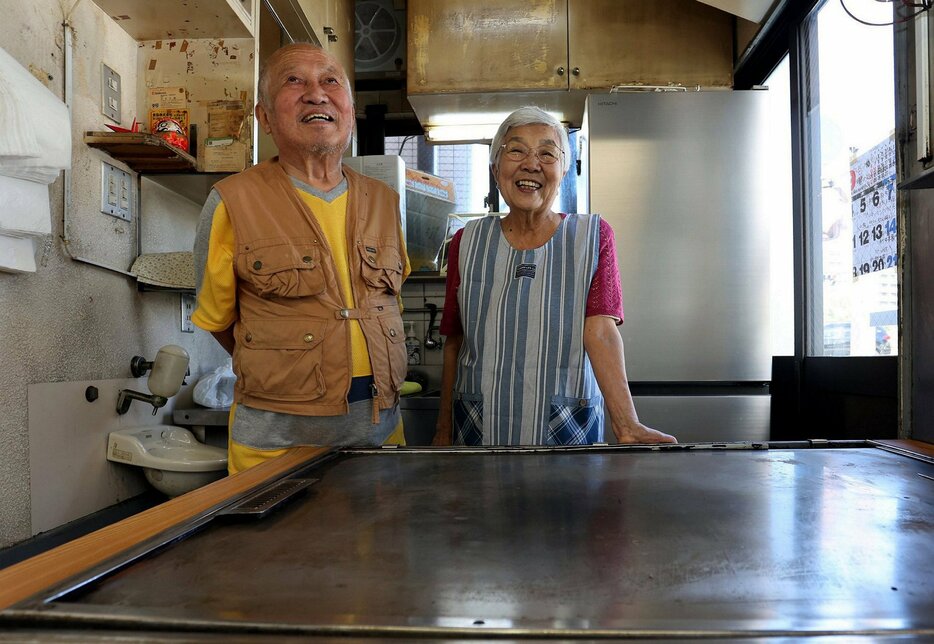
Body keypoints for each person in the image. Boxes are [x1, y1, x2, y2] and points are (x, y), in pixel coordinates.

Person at [192, 43, 410, 474]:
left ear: (349, 109)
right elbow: (219, 322)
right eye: (295, 81)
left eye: (331, 80)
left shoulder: (384, 201)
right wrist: (287, 369)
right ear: (265, 117)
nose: (317, 93)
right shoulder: (231, 201)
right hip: (274, 451)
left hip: (381, 438)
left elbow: (389, 305)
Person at [433, 106, 677, 447]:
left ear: (563, 171)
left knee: (569, 501)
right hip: (477, 428)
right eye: (516, 150)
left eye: (547, 153)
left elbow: (601, 332)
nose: (531, 164)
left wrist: (627, 424)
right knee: (480, 501)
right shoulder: (466, 241)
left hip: (566, 428)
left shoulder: (593, 238)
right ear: (495, 168)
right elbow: (455, 340)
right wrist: (443, 431)